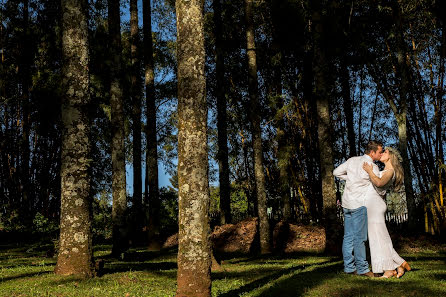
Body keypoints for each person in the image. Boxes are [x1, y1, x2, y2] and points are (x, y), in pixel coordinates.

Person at [333, 140, 384, 277]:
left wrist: (349, 178)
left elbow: (336, 172)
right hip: (359, 204)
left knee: (348, 236)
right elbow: (379, 186)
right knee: (360, 238)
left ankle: (349, 268)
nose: (381, 154)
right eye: (380, 151)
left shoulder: (352, 160)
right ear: (372, 152)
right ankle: (362, 269)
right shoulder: (372, 167)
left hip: (346, 204)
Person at [362, 147, 412, 278]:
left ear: (391, 156)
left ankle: (390, 269)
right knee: (379, 239)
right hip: (374, 205)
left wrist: (369, 171)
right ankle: (398, 265)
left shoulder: (390, 171)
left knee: (379, 239)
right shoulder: (386, 170)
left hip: (375, 207)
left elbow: (378, 183)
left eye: (385, 152)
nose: (382, 153)